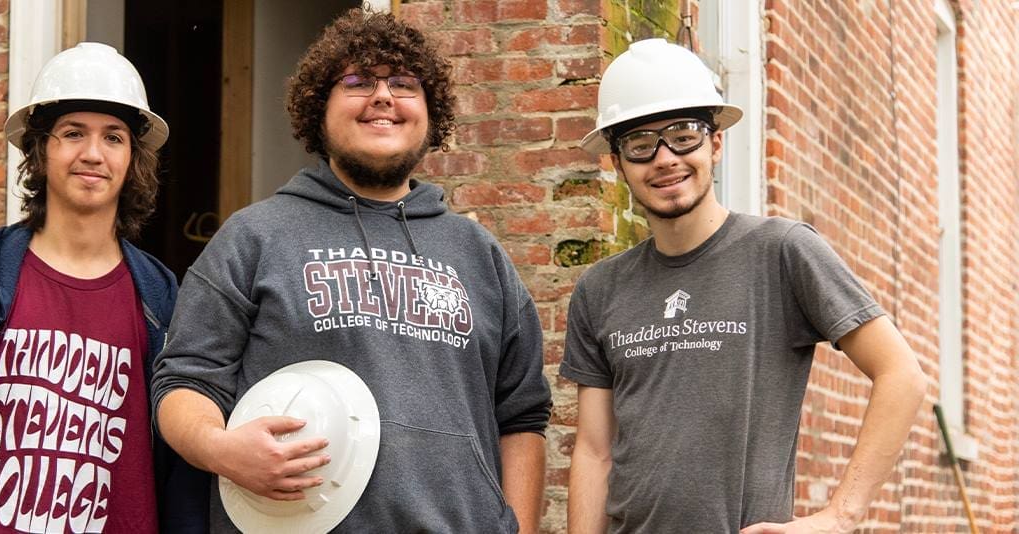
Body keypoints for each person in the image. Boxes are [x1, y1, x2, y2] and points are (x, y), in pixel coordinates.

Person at [151, 8, 552, 533]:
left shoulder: (479, 254)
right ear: (320, 109)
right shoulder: (256, 237)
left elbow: (522, 416)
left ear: (431, 113)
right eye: (358, 82)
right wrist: (222, 449)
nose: (383, 97)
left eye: (404, 84)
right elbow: (183, 383)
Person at [560, 38, 928, 533]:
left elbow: (901, 374)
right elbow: (595, 450)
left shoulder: (781, 251)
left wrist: (839, 518)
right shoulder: (600, 288)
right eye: (641, 145)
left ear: (715, 142)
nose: (665, 158)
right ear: (618, 163)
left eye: (684, 135)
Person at [0, 43, 208, 533]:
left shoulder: (159, 300)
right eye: (73, 134)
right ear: (40, 150)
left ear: (133, 159)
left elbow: (183, 474)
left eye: (113, 137)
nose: (93, 153)